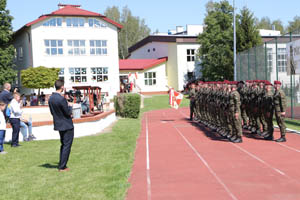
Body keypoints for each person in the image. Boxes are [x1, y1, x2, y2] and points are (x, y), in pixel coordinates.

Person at [48, 80, 74, 172]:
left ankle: (62, 164)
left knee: (63, 144)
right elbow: (67, 112)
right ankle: (62, 166)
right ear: (62, 87)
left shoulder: (51, 98)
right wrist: (70, 106)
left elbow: (52, 112)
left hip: (59, 124)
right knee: (67, 145)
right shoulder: (61, 99)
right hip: (66, 124)